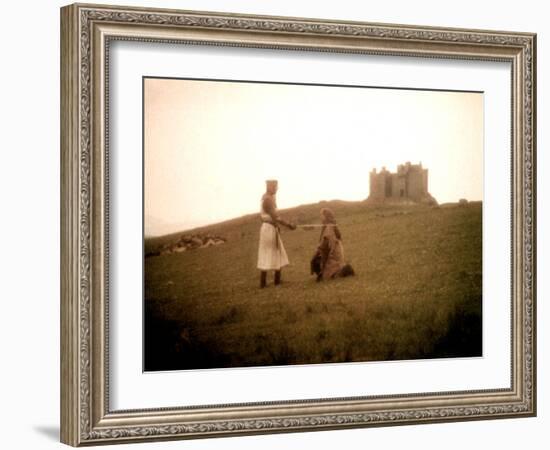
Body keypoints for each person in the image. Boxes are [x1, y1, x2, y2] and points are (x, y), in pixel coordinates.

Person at [257, 180, 296, 288]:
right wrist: (289, 225)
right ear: (269, 187)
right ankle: (277, 282)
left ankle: (263, 284)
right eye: (274, 187)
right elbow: (275, 217)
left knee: (267, 254)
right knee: (276, 252)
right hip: (269, 229)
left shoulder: (266, 197)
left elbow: (267, 217)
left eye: (276, 187)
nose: (276, 189)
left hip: (267, 228)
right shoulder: (268, 199)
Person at [311, 208, 355, 281]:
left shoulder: (329, 229)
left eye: (321, 216)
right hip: (337, 259)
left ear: (325, 217)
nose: (320, 218)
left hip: (333, 259)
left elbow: (324, 250)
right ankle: (340, 269)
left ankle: (341, 271)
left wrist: (321, 269)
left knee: (316, 262)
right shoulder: (330, 226)